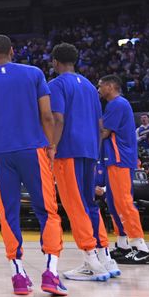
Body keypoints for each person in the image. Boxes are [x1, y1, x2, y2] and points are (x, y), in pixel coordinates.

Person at [0, 35, 67, 296]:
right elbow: (47, 115)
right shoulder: (34, 74)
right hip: (33, 150)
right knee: (48, 210)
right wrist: (51, 146)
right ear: (12, 51)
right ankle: (51, 272)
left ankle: (18, 274)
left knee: (8, 213)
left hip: (2, 154)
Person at [48, 43, 117, 282]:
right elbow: (100, 126)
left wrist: (52, 145)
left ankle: (90, 260)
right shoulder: (89, 86)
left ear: (55, 62)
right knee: (90, 203)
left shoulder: (56, 85)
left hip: (68, 151)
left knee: (76, 205)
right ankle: (104, 255)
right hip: (90, 150)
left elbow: (57, 118)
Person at [98, 75, 149, 265]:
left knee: (123, 202)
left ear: (111, 86)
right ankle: (123, 245)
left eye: (101, 85)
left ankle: (142, 248)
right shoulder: (115, 104)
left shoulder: (117, 104)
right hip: (114, 158)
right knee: (113, 202)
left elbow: (104, 132)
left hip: (120, 158)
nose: (98, 89)